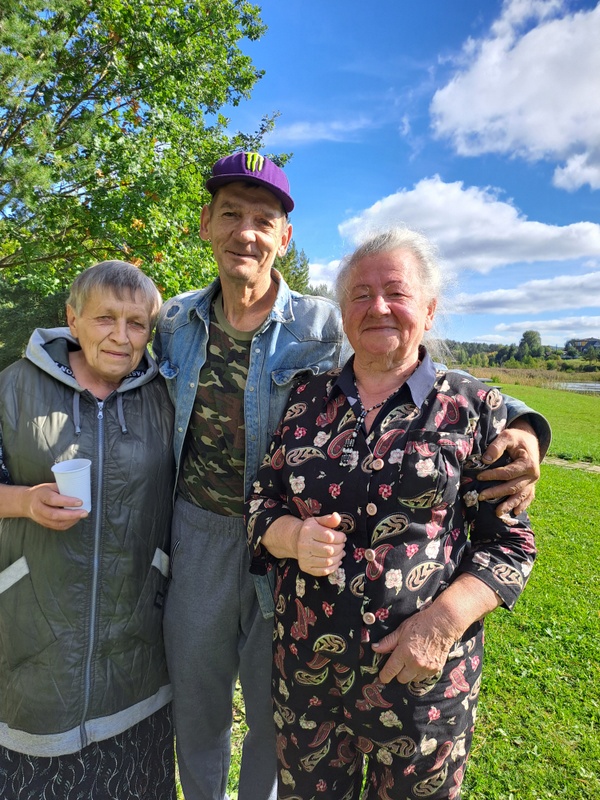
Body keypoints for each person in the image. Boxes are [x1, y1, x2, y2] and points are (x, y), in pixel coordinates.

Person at [153, 153, 548, 800]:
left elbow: (412, 362)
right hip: (207, 535)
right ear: (205, 224)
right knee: (199, 706)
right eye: (230, 214)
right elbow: (110, 343)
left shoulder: (325, 325)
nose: (245, 232)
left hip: (299, 569)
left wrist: (525, 424)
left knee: (270, 719)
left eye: (263, 219)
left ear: (285, 237)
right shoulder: (175, 323)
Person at [245, 228, 538, 799]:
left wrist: (441, 624)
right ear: (343, 314)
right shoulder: (307, 400)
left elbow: (509, 547)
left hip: (422, 688)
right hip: (307, 682)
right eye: (360, 294)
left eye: (396, 292)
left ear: (428, 310)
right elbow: (261, 502)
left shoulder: (475, 409)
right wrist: (292, 537)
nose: (377, 306)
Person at [0, 261, 176, 800]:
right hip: (34, 637)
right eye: (105, 318)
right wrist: (24, 502)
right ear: (72, 319)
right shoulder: (13, 387)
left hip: (136, 643)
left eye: (136, 323)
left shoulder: (166, 398)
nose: (121, 336)